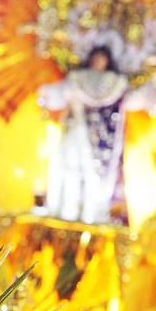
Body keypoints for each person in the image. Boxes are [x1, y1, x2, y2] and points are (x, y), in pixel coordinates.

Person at [37, 45, 129, 225]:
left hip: (98, 140)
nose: (98, 62)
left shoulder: (116, 85)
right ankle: (64, 212)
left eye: (102, 58)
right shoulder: (76, 79)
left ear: (108, 62)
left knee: (92, 177)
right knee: (68, 171)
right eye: (95, 57)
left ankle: (90, 217)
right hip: (75, 129)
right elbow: (57, 95)